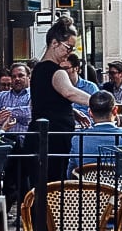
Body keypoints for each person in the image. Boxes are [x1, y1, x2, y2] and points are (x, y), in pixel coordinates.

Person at [31, 20, 95, 180]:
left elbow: (46, 100)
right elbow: (69, 92)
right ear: (54, 43)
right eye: (68, 47)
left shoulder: (38, 69)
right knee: (55, 183)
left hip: (43, 134)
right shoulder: (57, 72)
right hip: (55, 137)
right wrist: (99, 101)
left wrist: (72, 111)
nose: (70, 52)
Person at [68, 90, 122, 172]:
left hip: (90, 184)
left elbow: (71, 172)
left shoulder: (78, 139)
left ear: (90, 113)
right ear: (115, 110)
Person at [0, 63, 32, 131]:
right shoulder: (0, 96)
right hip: (2, 138)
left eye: (21, 75)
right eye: (14, 76)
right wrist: (20, 114)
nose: (17, 79)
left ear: (29, 77)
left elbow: (30, 114)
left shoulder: (34, 95)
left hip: (25, 139)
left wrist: (6, 111)